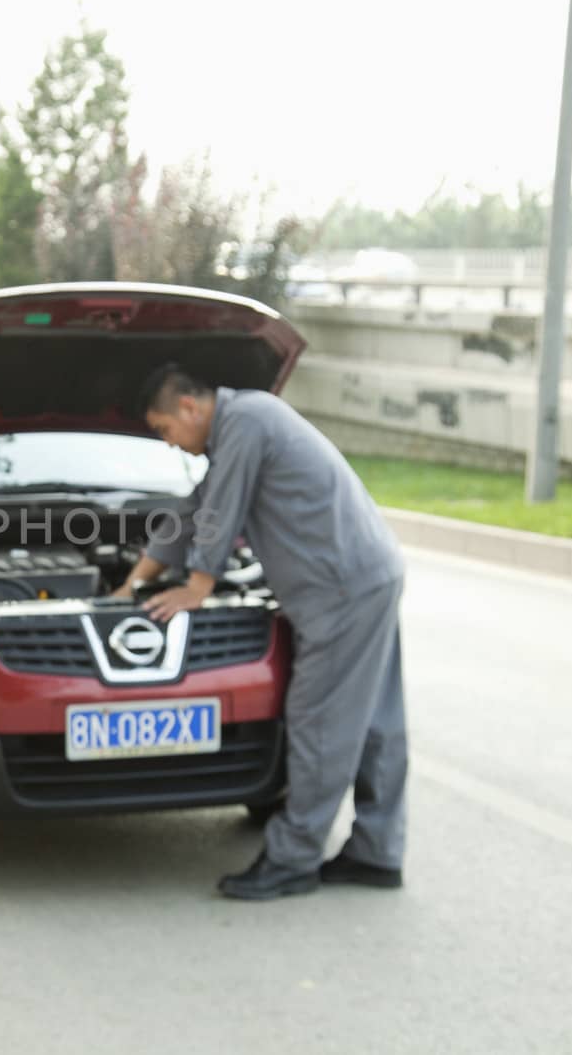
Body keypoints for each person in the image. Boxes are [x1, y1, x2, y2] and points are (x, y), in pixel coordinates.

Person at [112, 363, 408, 902]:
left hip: (339, 591)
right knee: (375, 724)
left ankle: (293, 860)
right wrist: (130, 583)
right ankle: (376, 851)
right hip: (367, 576)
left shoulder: (246, 421)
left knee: (319, 724)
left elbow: (221, 512)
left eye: (164, 430)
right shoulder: (245, 423)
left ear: (189, 407)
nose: (171, 444)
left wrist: (198, 586)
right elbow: (194, 511)